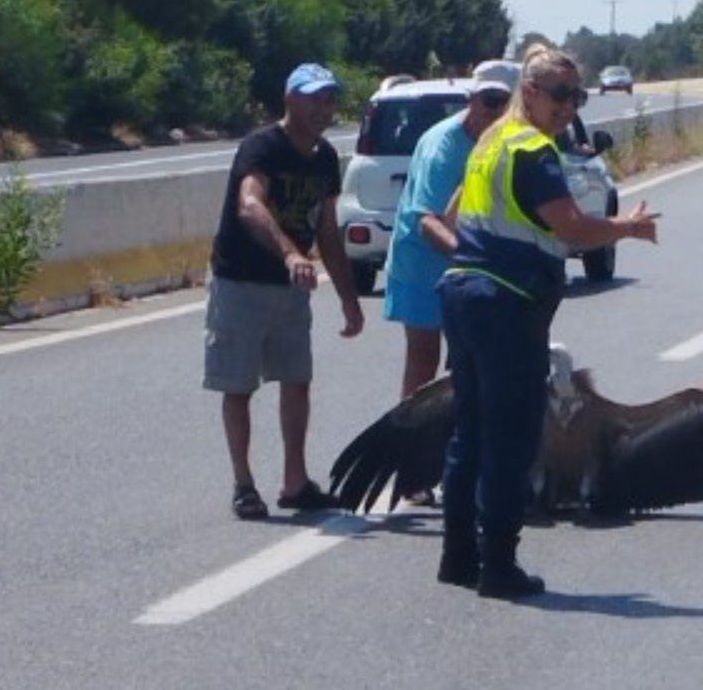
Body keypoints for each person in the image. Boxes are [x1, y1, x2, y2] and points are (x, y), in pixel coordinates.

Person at [436, 45, 660, 598]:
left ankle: (458, 556)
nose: (568, 107)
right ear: (529, 92)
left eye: (576, 97)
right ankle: (499, 566)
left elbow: (448, 219)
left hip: (462, 295)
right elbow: (572, 229)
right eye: (559, 95)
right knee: (510, 439)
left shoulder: (489, 143)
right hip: (507, 305)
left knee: (469, 432)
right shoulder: (534, 151)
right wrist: (627, 229)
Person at [203, 63, 364, 520]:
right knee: (238, 384)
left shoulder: (326, 158)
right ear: (290, 100)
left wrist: (349, 299)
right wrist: (291, 254)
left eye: (329, 99)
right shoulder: (262, 147)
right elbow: (250, 204)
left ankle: (295, 481)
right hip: (242, 281)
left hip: (291, 290)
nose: (322, 108)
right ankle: (243, 483)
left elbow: (328, 229)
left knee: (297, 380)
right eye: (313, 98)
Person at [383, 60, 520, 400]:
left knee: (477, 358)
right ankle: (408, 442)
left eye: (506, 104)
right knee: (424, 359)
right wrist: (475, 260)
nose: (496, 111)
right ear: (471, 100)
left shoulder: (510, 142)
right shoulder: (442, 147)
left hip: (474, 261)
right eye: (489, 101)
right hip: (422, 261)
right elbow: (428, 222)